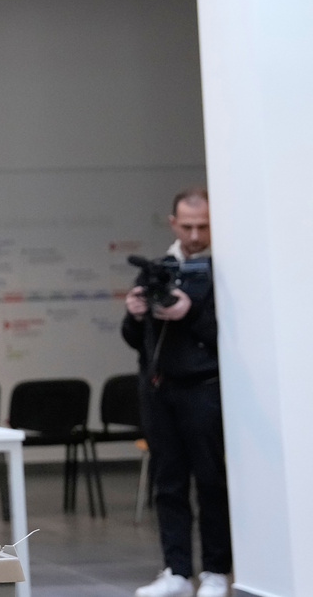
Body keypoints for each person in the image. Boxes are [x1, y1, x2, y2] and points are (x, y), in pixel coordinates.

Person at [122, 187, 231, 597]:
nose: (195, 234)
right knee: (167, 482)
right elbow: (137, 339)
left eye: (203, 226)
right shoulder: (159, 269)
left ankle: (217, 570)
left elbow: (231, 341)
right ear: (173, 224)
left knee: (210, 481)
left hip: (204, 389)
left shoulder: (224, 271)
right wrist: (134, 314)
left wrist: (191, 313)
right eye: (187, 226)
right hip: (158, 390)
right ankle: (177, 570)